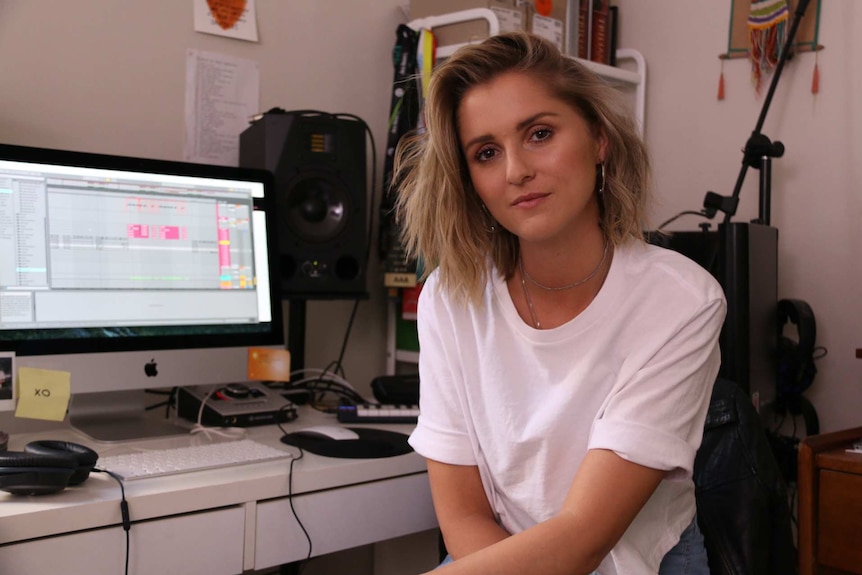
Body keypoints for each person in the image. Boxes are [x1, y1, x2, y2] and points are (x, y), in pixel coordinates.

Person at [393, 32, 727, 575]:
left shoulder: (680, 301)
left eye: (540, 134)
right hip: (495, 557)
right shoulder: (449, 299)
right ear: (469, 179)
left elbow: (582, 540)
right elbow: (464, 517)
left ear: (599, 139)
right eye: (486, 153)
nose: (515, 171)